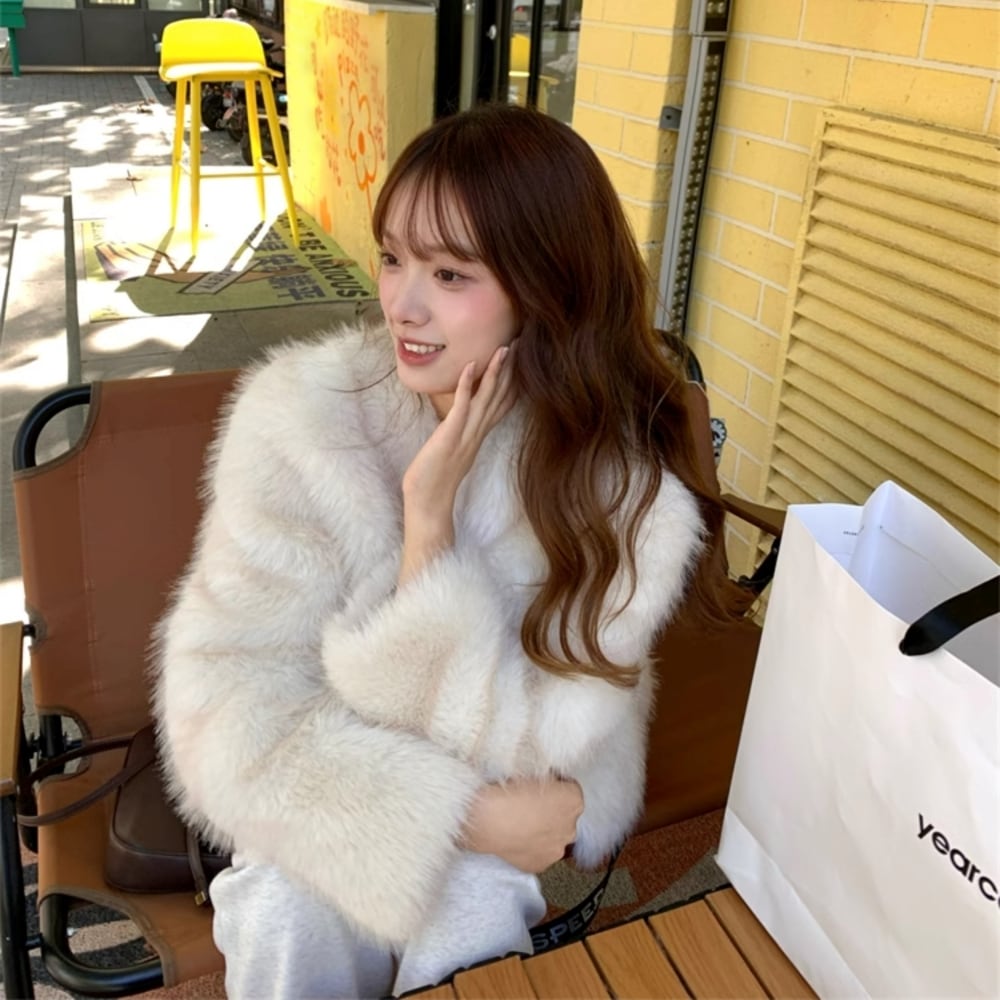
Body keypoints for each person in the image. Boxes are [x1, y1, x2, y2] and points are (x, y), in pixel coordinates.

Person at [153, 103, 737, 999]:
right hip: (319, 804)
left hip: (469, 819)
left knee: (472, 900)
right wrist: (456, 813)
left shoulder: (619, 490)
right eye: (393, 258)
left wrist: (428, 542)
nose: (403, 305)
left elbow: (552, 744)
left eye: (451, 273)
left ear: (548, 286)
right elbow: (227, 703)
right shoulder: (306, 421)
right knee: (289, 902)